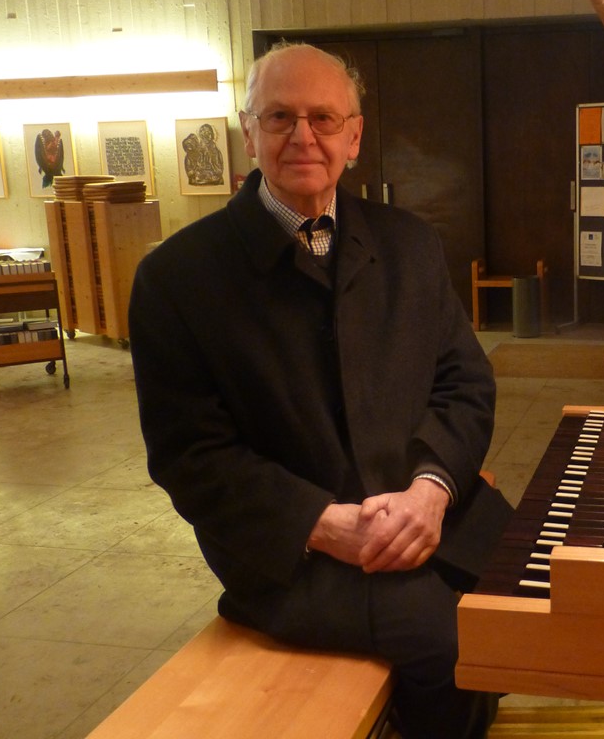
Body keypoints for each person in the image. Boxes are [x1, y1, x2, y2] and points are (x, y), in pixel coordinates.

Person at [128, 43, 513, 739]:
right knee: (446, 643)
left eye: (323, 119)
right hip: (292, 553)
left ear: (354, 136)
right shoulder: (177, 279)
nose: (303, 136)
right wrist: (324, 523)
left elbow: (465, 383)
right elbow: (191, 456)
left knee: (521, 589)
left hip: (420, 512)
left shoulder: (410, 245)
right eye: (280, 117)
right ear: (249, 133)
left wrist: (431, 490)